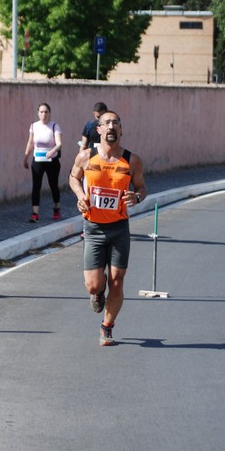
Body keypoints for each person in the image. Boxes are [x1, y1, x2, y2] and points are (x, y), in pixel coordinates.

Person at [69, 110, 147, 346]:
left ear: (121, 130)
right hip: (93, 228)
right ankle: (97, 292)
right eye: (106, 123)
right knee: (93, 284)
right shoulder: (85, 157)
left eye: (116, 123)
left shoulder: (131, 161)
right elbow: (73, 178)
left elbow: (142, 188)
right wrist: (81, 194)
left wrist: (137, 197)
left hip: (119, 228)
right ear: (99, 130)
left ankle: (107, 326)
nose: (111, 126)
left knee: (118, 281)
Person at [23, 103, 62, 222]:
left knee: (53, 185)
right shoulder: (34, 126)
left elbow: (59, 144)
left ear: (49, 113)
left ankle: (56, 207)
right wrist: (25, 157)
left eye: (46, 112)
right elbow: (30, 142)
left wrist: (52, 151)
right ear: (38, 113)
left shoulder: (54, 126)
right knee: (36, 186)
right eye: (41, 112)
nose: (43, 114)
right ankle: (35, 213)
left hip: (52, 160)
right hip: (38, 159)